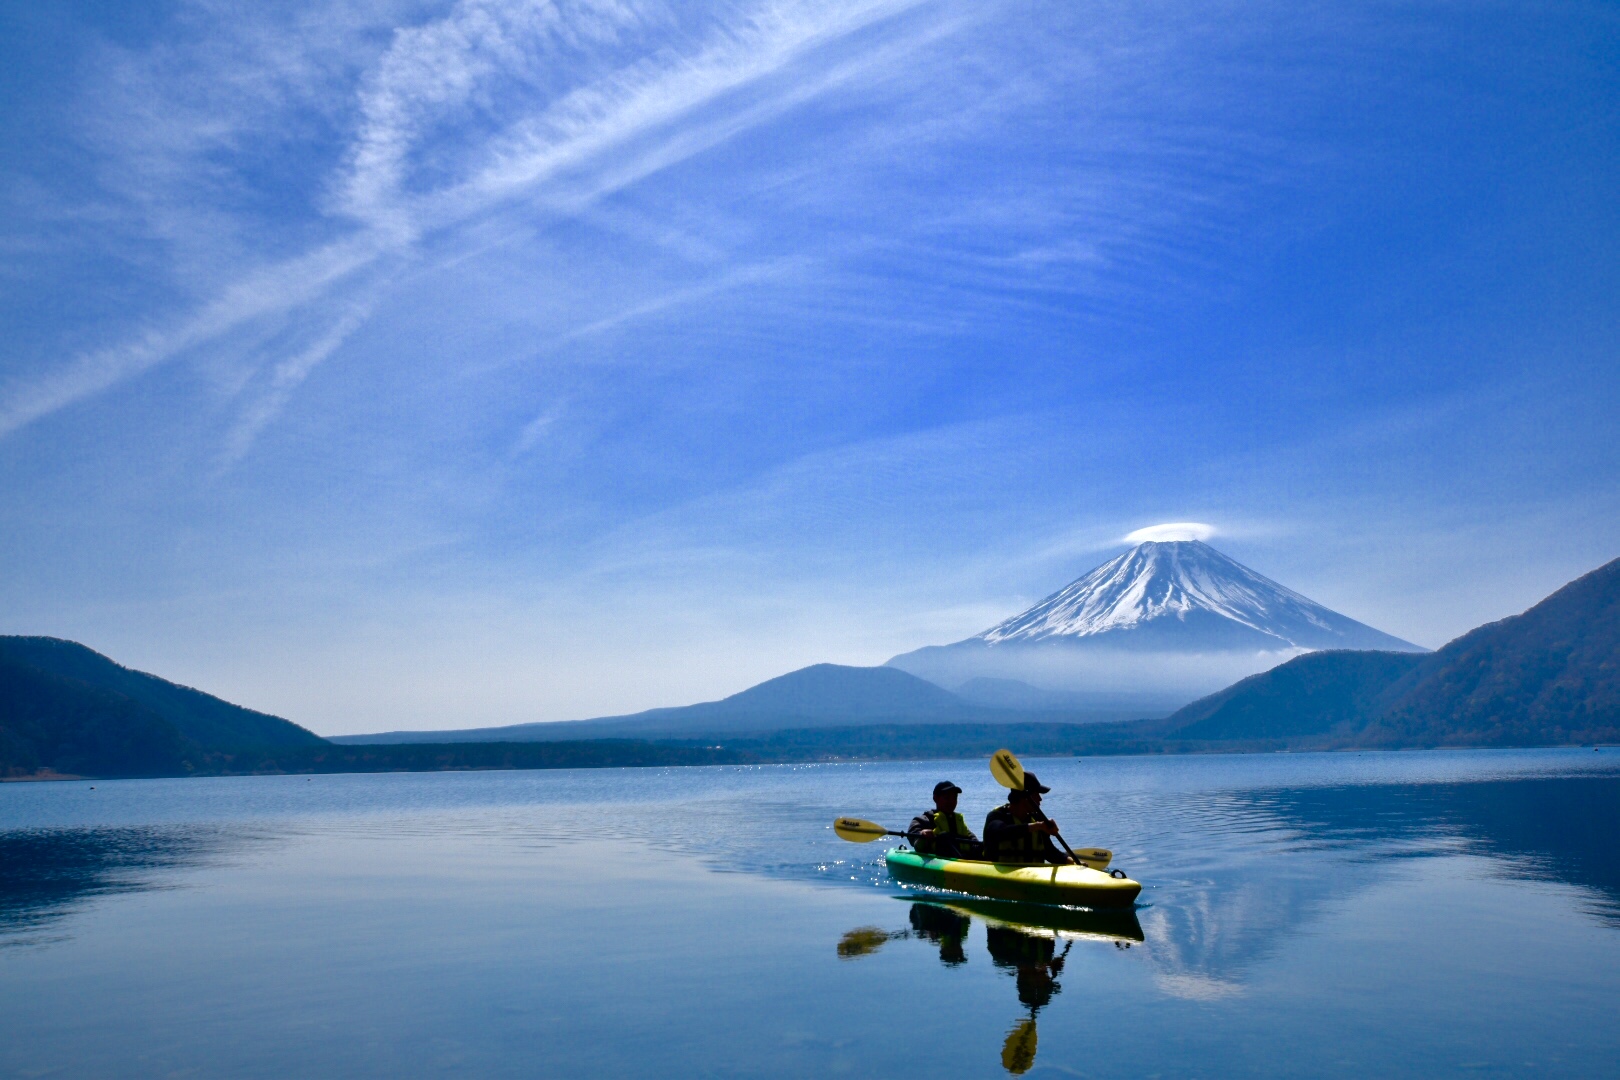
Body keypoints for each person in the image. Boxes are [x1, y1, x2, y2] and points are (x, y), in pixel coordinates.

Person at [982, 773, 1074, 865]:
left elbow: (1050, 852)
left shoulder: (1036, 819)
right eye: (1036, 794)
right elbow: (1000, 832)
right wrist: (1038, 826)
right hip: (1001, 876)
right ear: (1025, 797)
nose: (1040, 799)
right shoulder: (996, 816)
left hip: (1031, 876)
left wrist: (1072, 862)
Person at [908, 780, 982, 859]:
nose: (951, 802)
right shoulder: (923, 820)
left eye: (954, 798)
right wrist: (922, 835)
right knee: (944, 836)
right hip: (939, 862)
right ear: (935, 798)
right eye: (947, 798)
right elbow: (913, 838)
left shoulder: (959, 823)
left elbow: (975, 843)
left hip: (962, 862)